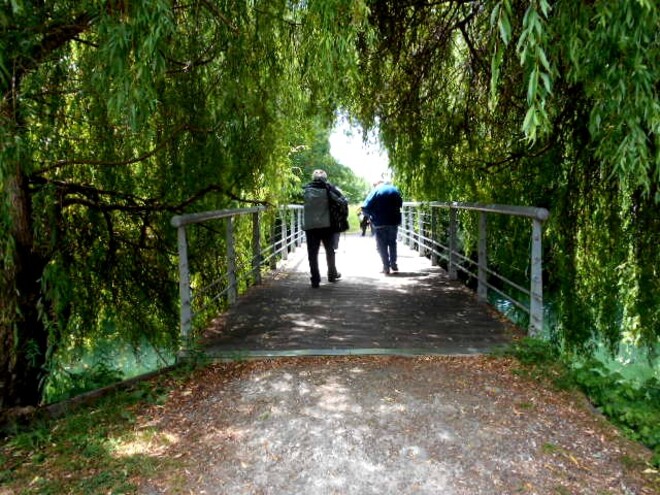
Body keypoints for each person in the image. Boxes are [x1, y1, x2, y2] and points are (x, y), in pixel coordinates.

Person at [302, 169, 343, 288]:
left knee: (312, 253)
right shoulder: (329, 189)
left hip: (310, 226)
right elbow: (341, 201)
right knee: (329, 251)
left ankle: (315, 279)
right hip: (326, 225)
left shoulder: (306, 189)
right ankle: (331, 274)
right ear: (325, 178)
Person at [361, 177, 403, 275]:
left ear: (376, 184)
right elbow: (400, 203)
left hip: (380, 222)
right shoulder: (394, 189)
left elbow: (364, 207)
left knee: (382, 245)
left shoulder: (375, 191)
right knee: (392, 243)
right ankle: (394, 264)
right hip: (393, 221)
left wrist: (371, 216)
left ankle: (386, 267)